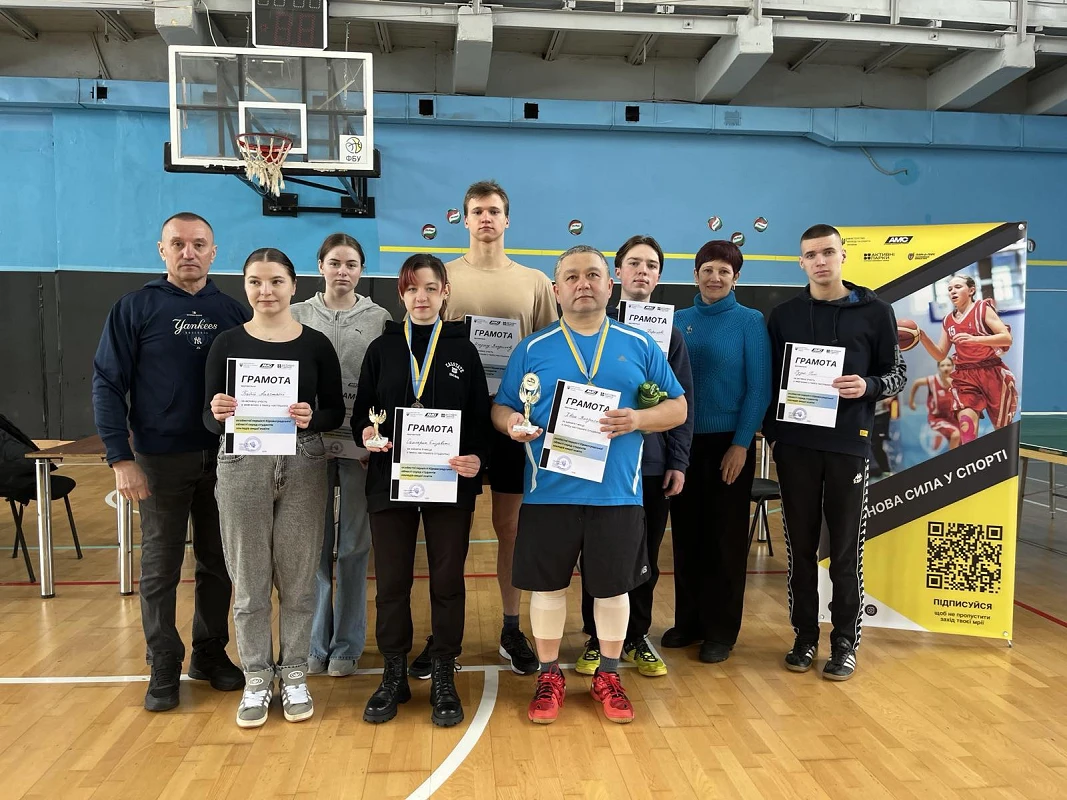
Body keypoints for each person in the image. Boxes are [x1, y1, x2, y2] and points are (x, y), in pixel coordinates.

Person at [492, 245, 687, 724]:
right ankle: (548, 675)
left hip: (617, 492)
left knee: (613, 589)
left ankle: (610, 675)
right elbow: (501, 406)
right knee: (548, 589)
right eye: (573, 277)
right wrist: (511, 423)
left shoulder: (640, 343)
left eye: (593, 275)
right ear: (556, 290)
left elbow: (678, 407)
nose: (584, 283)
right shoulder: (532, 348)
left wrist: (638, 418)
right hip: (548, 491)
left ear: (609, 285)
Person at [92, 212, 248, 712]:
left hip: (225, 459)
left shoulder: (233, 311)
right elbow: (107, 383)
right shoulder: (135, 307)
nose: (189, 253)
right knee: (161, 565)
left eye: (199, 244)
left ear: (214, 252)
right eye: (178, 244)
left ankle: (210, 652)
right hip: (159, 459)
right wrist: (120, 457)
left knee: (218, 562)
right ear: (162, 250)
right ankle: (163, 660)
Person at [204, 248, 345, 728]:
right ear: (245, 286)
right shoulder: (226, 343)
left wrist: (312, 417)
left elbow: (334, 412)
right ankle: (257, 676)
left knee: (300, 579)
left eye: (276, 281)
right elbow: (208, 418)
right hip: (242, 463)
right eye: (256, 282)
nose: (266, 291)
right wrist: (218, 412)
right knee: (249, 581)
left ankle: (295, 672)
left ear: (293, 285)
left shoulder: (316, 343)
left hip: (303, 462)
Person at [352, 254, 491, 728]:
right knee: (392, 582)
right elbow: (363, 413)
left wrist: (478, 459)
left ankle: (444, 672)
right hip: (390, 482)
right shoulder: (381, 348)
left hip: (449, 484)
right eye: (413, 289)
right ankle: (393, 673)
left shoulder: (464, 351)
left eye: (431, 288)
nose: (422, 297)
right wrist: (367, 435)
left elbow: (479, 419)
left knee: (447, 580)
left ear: (445, 292)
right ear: (401, 294)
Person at [764, 224, 906, 682]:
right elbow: (768, 380)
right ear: (801, 262)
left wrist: (868, 385)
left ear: (843, 255)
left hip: (848, 447)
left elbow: (897, 373)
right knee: (800, 550)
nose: (820, 261)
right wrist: (774, 436)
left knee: (845, 552)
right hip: (796, 448)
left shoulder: (875, 311)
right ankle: (805, 636)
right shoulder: (783, 315)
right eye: (811, 255)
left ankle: (844, 642)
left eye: (827, 252)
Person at [438, 179, 558, 678]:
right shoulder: (441, 277)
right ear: (464, 219)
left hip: (514, 421)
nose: (485, 218)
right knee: (450, 530)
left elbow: (551, 350)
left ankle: (511, 627)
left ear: (507, 220)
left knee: (510, 528)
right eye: (477, 211)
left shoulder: (534, 282)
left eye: (493, 211)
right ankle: (444, 636)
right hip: (457, 423)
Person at [575, 235, 694, 679]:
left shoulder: (672, 336)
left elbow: (683, 402)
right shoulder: (590, 325)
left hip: (652, 465)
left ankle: (637, 635)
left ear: (659, 276)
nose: (642, 271)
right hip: (600, 461)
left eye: (651, 265)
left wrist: (677, 461)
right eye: (634, 263)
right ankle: (595, 636)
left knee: (644, 555)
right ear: (616, 274)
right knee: (598, 552)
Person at [666, 240, 771, 664]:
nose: (715, 278)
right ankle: (689, 622)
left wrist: (741, 444)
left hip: (728, 444)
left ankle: (720, 631)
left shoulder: (750, 322)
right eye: (708, 270)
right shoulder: (677, 321)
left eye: (724, 272)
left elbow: (759, 388)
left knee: (724, 541)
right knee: (686, 536)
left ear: (736, 278)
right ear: (695, 275)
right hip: (682, 442)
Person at [291, 233, 391, 678]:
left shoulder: (379, 318)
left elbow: (383, 384)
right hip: (307, 445)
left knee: (353, 546)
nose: (342, 271)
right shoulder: (297, 314)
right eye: (335, 263)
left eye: (351, 264)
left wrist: (375, 439)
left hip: (358, 447)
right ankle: (315, 642)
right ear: (320, 266)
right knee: (314, 547)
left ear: (362, 270)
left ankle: (347, 645)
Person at [917, 275, 1017, 442]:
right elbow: (940, 354)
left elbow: (1007, 338)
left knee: (1003, 432)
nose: (952, 291)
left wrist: (975, 339)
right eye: (950, 289)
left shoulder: (982, 308)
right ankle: (970, 458)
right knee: (966, 427)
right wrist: (923, 337)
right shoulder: (948, 320)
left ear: (971, 290)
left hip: (992, 372)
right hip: (966, 376)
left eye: (957, 287)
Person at [908, 357, 961, 451]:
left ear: (953, 367)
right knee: (956, 434)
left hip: (953, 418)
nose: (946, 368)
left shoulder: (956, 381)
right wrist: (911, 401)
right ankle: (954, 459)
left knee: (961, 441)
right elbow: (916, 383)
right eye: (942, 365)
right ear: (938, 368)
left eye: (948, 365)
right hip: (937, 418)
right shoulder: (932, 380)